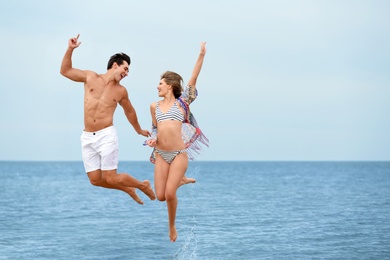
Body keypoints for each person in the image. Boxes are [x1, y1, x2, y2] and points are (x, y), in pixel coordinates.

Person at [60, 34, 156, 205]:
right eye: (125, 69)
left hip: (106, 135)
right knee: (95, 180)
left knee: (110, 177)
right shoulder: (90, 77)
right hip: (88, 136)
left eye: (128, 71)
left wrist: (139, 130)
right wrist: (70, 49)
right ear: (115, 65)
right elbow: (65, 71)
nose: (126, 73)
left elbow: (129, 111)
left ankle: (142, 185)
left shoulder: (121, 91)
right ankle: (128, 188)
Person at [145, 42, 209, 242]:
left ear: (169, 86)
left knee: (170, 194)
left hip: (179, 154)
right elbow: (156, 128)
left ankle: (172, 227)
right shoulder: (154, 106)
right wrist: (153, 140)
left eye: (160, 83)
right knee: (161, 196)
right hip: (161, 154)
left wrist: (201, 55)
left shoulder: (183, 103)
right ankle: (180, 180)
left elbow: (193, 78)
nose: (157, 86)